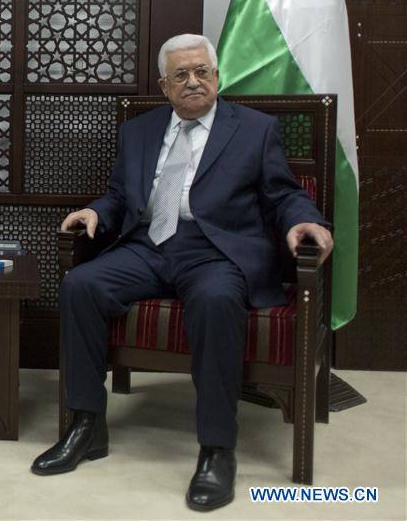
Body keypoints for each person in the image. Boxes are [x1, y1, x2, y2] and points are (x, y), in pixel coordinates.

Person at [30, 34, 333, 511]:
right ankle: (86, 425)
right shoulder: (139, 130)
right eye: (181, 75)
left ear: (217, 77)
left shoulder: (254, 129)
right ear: (164, 86)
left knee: (215, 299)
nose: (193, 82)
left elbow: (283, 193)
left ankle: (217, 450)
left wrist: (303, 221)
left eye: (202, 72)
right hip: (148, 245)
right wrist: (96, 212)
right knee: (81, 285)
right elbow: (119, 195)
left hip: (215, 249)